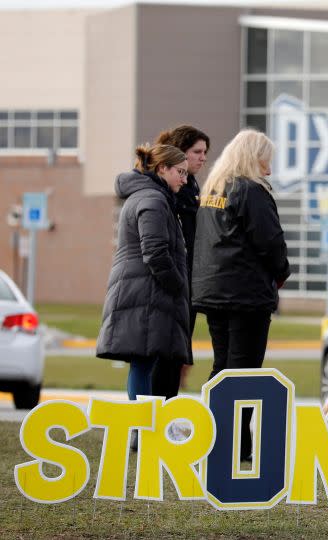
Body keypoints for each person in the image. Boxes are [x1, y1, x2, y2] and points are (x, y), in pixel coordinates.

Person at [192, 129, 289, 461]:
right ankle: (239, 446)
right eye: (266, 161)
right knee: (244, 371)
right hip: (245, 294)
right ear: (253, 157)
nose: (270, 170)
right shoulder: (250, 191)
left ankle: (216, 439)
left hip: (213, 291)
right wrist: (281, 273)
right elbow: (270, 241)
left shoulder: (213, 190)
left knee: (222, 367)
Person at [96, 144, 191, 406]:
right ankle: (140, 430)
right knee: (142, 364)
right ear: (162, 168)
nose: (185, 179)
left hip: (144, 293)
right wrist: (178, 285)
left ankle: (142, 429)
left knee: (143, 364)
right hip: (146, 295)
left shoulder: (150, 197)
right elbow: (156, 253)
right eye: (180, 172)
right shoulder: (153, 200)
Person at [152, 125, 210, 398]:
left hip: (187, 282)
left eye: (205, 152)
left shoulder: (192, 186)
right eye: (196, 151)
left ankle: (166, 416)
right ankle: (152, 423)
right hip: (175, 284)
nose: (203, 158)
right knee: (166, 357)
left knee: (177, 355)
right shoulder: (169, 192)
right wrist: (177, 281)